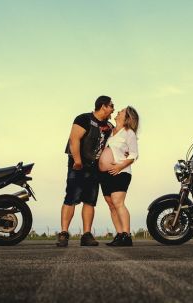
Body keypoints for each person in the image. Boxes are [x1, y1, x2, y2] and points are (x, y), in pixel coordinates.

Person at [56, 96, 115, 247]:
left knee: (90, 201)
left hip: (95, 168)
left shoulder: (109, 126)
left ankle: (86, 235)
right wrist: (77, 160)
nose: (113, 108)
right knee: (71, 198)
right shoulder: (83, 119)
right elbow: (74, 139)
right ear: (103, 106)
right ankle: (63, 233)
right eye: (111, 106)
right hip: (79, 165)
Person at [98, 106, 139, 246]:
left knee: (118, 202)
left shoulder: (129, 133)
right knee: (111, 204)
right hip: (105, 174)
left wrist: (120, 166)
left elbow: (134, 154)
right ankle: (120, 234)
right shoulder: (110, 131)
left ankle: (127, 235)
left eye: (121, 111)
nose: (118, 112)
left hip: (121, 172)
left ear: (127, 117)